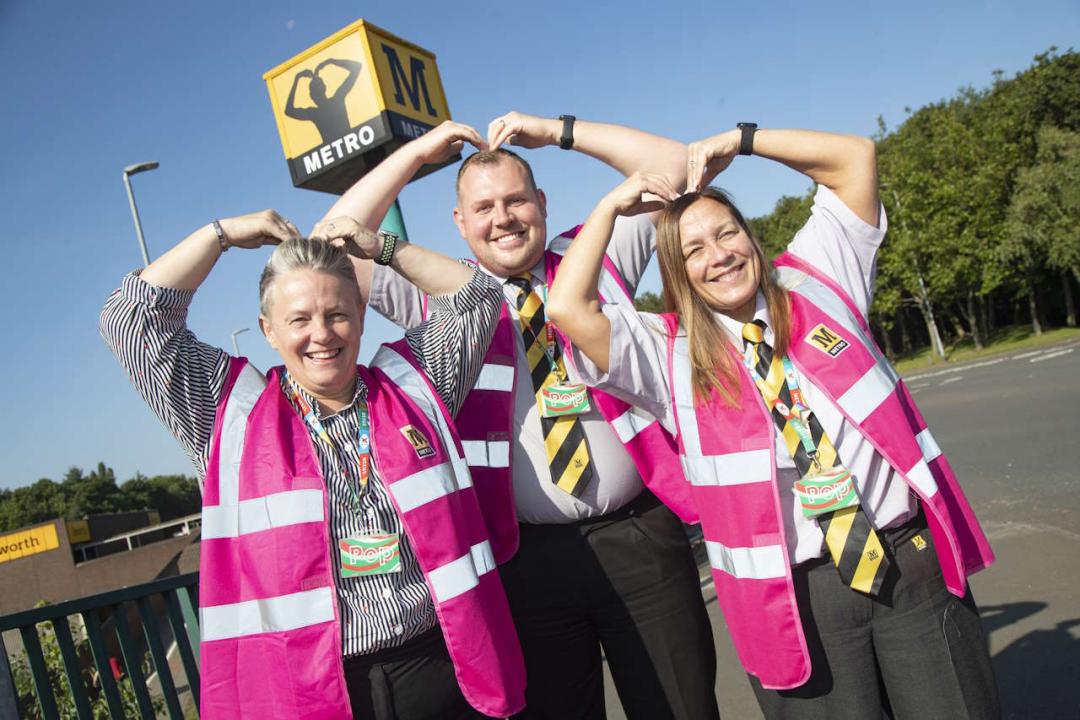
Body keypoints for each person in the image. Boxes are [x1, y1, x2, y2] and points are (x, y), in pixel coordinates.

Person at [547, 125, 1001, 719]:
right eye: (694, 250)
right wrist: (610, 206)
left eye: (727, 232)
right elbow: (566, 307)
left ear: (750, 237)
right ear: (677, 274)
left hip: (907, 561)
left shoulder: (817, 278)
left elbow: (854, 158)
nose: (719, 256)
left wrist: (744, 140)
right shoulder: (664, 351)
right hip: (801, 598)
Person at [99, 124, 527, 720]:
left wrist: (381, 247)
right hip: (311, 686)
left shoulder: (413, 384)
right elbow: (130, 320)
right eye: (299, 319)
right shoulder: (229, 413)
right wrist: (220, 235)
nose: (321, 334)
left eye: (337, 314)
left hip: (438, 668)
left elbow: (477, 297)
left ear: (360, 317)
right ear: (269, 330)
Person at [322, 113, 719, 719]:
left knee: (682, 709)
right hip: (522, 562)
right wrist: (418, 153)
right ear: (460, 224)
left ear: (542, 202)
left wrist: (558, 131)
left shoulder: (594, 253)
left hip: (640, 534)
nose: (502, 218)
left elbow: (678, 164)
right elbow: (331, 243)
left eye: (515, 200)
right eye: (482, 208)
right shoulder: (441, 298)